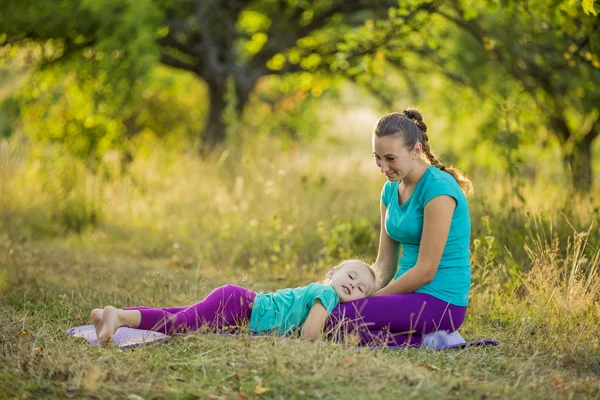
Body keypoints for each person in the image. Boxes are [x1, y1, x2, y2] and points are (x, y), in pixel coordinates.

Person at [326, 109, 473, 347]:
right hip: (406, 296)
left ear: (416, 151)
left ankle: (432, 339)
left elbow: (426, 270)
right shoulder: (390, 190)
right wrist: (354, 294)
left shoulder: (439, 190)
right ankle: (423, 338)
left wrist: (372, 301)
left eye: (390, 158)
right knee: (328, 310)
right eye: (377, 157)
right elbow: (384, 263)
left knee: (335, 320)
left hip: (441, 302)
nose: (383, 167)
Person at [91, 260, 375, 345]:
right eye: (350, 276)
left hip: (238, 308)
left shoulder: (327, 294)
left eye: (361, 287)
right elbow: (310, 334)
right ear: (333, 273)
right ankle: (121, 318)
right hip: (239, 305)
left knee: (179, 315)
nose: (353, 285)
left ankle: (113, 316)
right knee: (182, 324)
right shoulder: (327, 294)